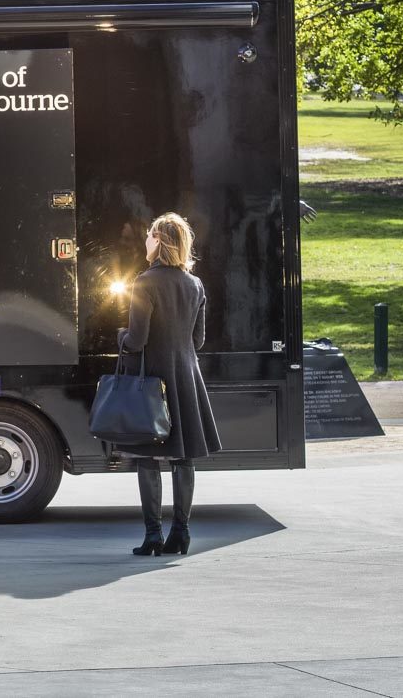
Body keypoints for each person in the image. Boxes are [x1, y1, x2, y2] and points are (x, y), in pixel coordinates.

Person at [116, 212, 221, 557]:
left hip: (154, 383)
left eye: (149, 236)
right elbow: (199, 340)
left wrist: (120, 337)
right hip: (186, 379)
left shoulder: (145, 282)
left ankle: (152, 537)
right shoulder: (195, 285)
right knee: (183, 457)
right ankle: (181, 533)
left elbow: (137, 339)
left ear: (159, 241)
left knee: (148, 458)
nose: (145, 241)